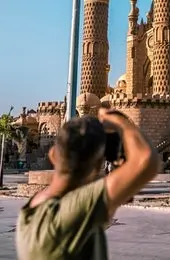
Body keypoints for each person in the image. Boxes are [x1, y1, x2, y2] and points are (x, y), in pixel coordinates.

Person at [16, 108, 160, 259]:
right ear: (98, 165)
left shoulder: (32, 210)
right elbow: (145, 161)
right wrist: (118, 120)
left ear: (53, 155)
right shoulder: (73, 211)